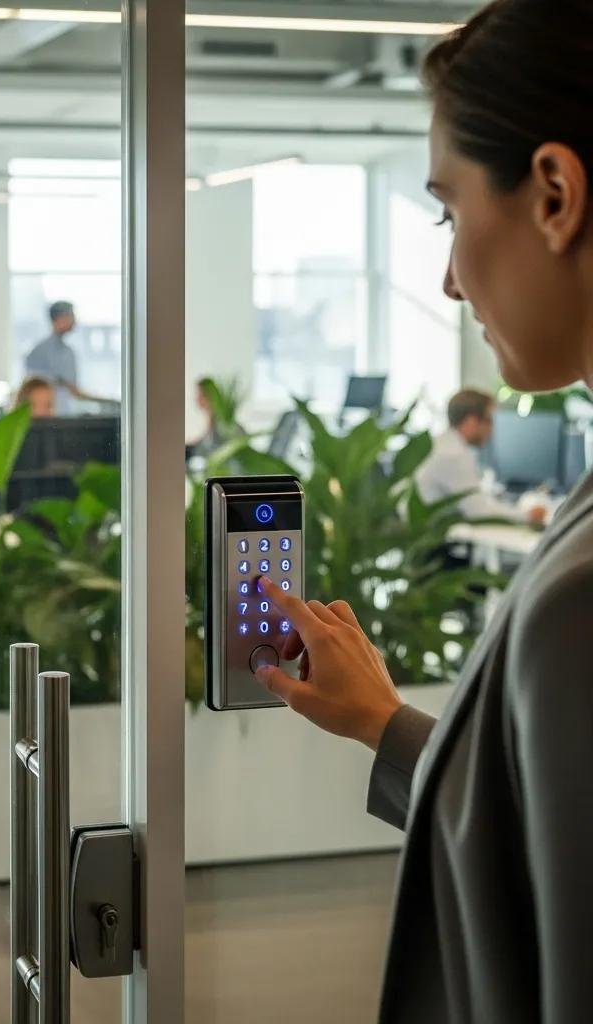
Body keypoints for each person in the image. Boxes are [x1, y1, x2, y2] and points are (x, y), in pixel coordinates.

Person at [252, 4, 593, 1019]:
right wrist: (384, 722)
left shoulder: (581, 597)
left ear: (554, 195)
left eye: (448, 212)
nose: (447, 281)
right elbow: (531, 837)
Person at [416, 388, 546, 525]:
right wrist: (527, 516)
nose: (492, 428)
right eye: (489, 420)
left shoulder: (441, 443)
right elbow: (478, 512)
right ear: (471, 421)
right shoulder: (454, 455)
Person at [24, 301, 107, 414]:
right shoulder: (39, 352)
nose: (74, 321)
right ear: (58, 318)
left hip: (64, 413)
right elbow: (31, 388)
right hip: (49, 416)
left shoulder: (68, 351)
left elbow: (73, 390)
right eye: (71, 315)